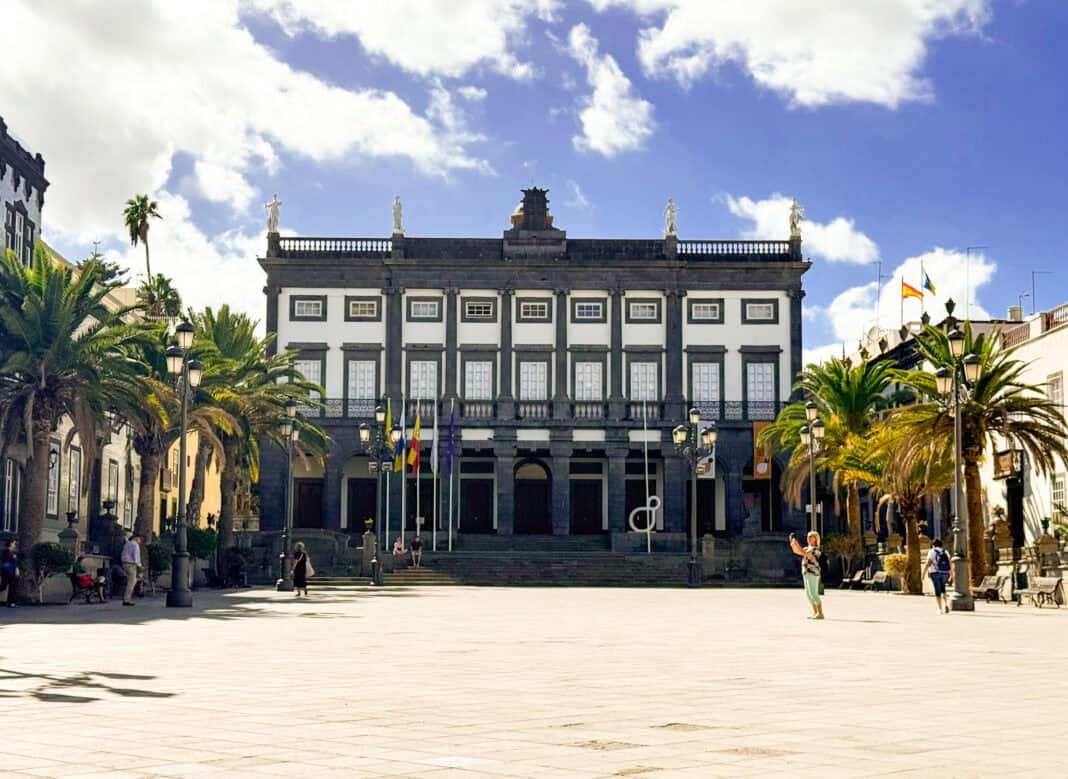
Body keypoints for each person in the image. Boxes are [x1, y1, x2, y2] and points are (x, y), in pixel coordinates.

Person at [789, 531, 825, 620]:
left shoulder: (816, 549)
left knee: (814, 593)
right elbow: (797, 551)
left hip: (813, 573)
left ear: (815, 539)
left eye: (810, 536)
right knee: (808, 594)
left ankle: (820, 613)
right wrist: (793, 542)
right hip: (806, 572)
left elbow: (807, 555)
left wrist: (797, 544)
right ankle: (815, 612)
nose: (808, 538)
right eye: (808, 536)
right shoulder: (807, 548)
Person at [922, 538, 953, 615]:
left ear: (933, 545)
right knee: (943, 589)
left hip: (935, 573)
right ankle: (946, 604)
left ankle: (940, 609)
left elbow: (928, 563)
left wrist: (923, 573)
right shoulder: (945, 552)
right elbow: (950, 564)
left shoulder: (932, 551)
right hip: (945, 573)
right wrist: (951, 575)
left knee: (937, 591)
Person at [120, 534, 142, 606]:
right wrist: (139, 565)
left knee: (131, 580)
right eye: (139, 540)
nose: (140, 541)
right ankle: (127, 599)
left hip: (124, 563)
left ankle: (127, 597)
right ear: (136, 538)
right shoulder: (135, 545)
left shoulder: (127, 544)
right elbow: (136, 556)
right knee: (131, 583)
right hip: (131, 564)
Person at [1, 539, 19, 608]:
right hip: (6, 572)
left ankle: (11, 603)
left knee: (12, 587)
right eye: (14, 543)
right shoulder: (5, 551)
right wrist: (12, 557)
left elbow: (14, 563)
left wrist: (16, 569)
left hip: (12, 572)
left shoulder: (13, 552)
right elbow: (5, 562)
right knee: (3, 586)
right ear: (10, 543)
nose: (15, 544)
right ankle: (11, 603)